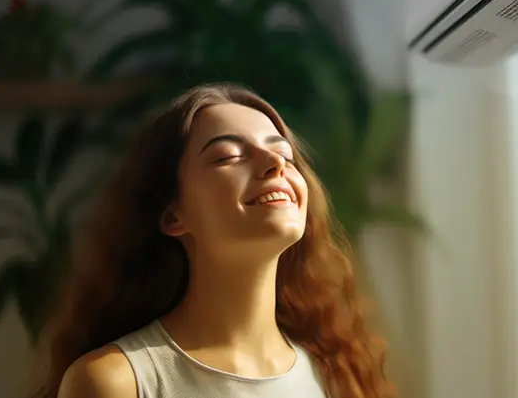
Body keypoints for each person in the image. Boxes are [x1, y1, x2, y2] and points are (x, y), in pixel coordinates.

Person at [26, 84, 392, 398]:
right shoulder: (117, 382)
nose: (275, 163)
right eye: (228, 156)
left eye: (284, 154)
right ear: (173, 215)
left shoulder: (334, 374)